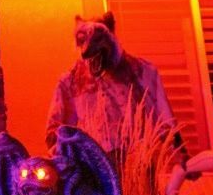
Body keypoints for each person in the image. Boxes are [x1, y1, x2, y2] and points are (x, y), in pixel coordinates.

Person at [46, 13, 186, 165]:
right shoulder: (72, 81)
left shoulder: (142, 71)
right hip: (95, 167)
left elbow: (164, 118)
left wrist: (180, 155)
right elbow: (58, 129)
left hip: (138, 165)